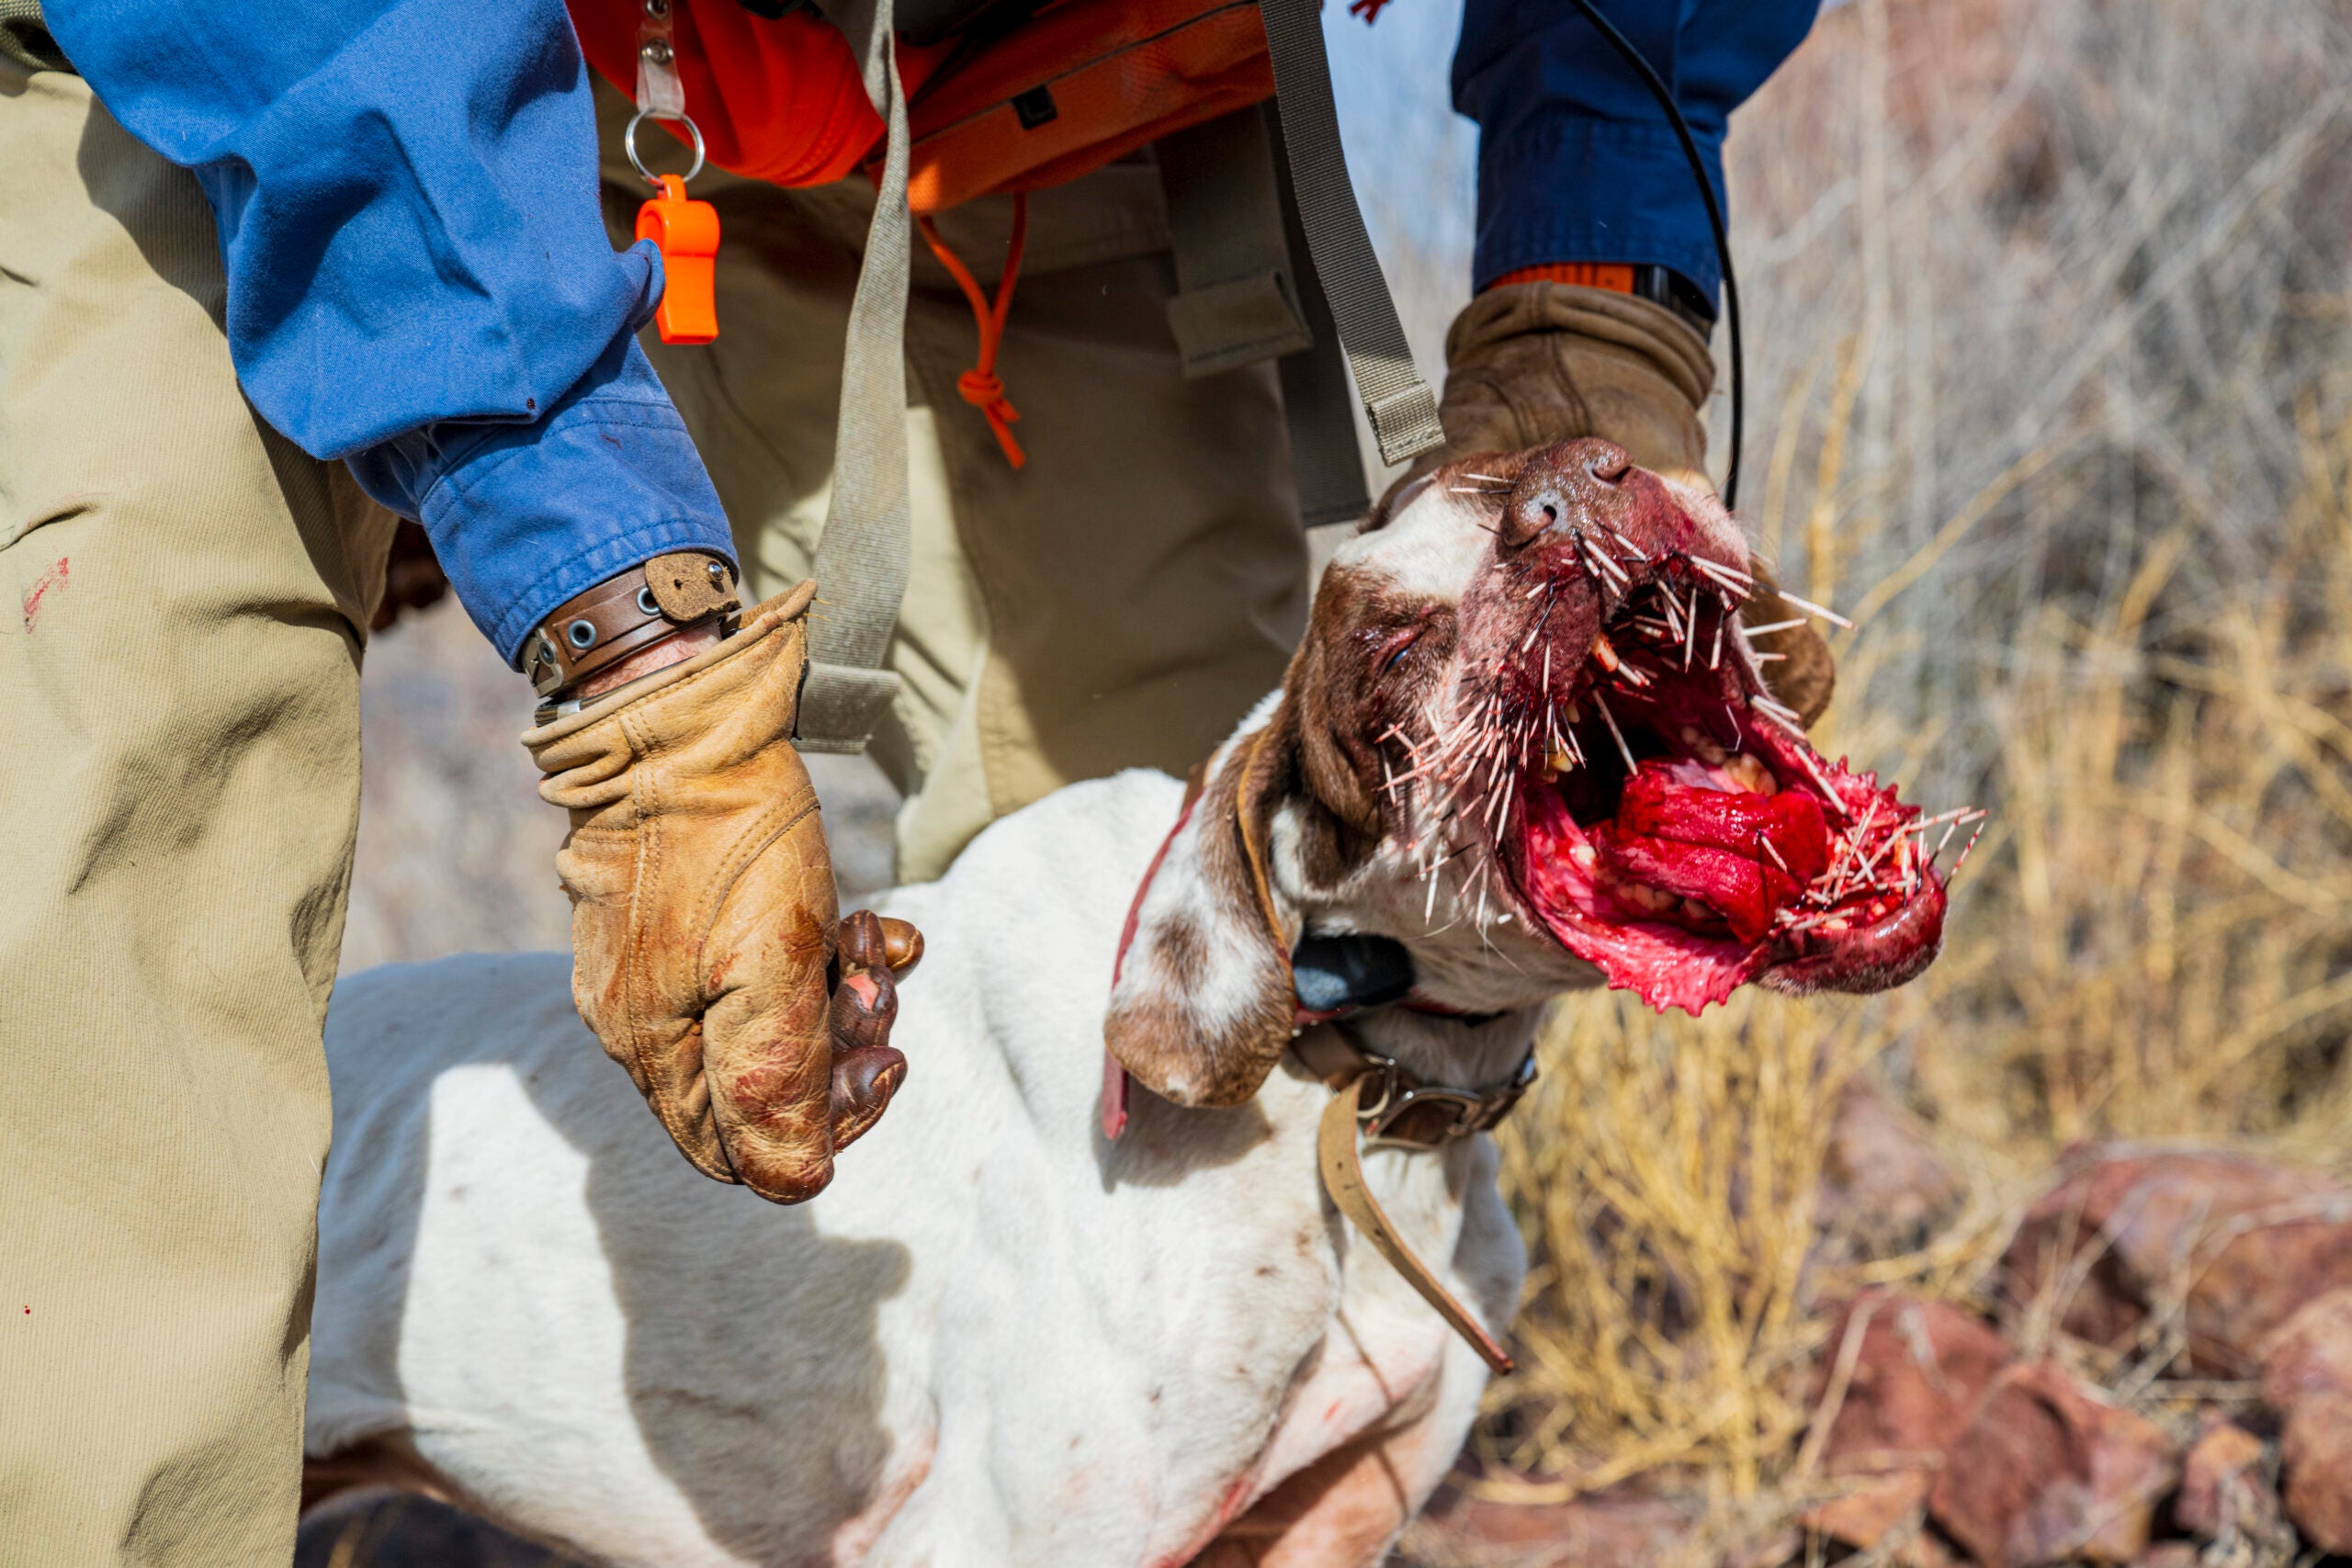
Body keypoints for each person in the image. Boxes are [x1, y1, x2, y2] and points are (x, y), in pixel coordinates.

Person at [0, 0, 1823, 1562]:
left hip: (1022, 86)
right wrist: (630, 652)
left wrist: (1595, 308)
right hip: (271, 56)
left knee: (1219, 1041)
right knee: (123, 869)